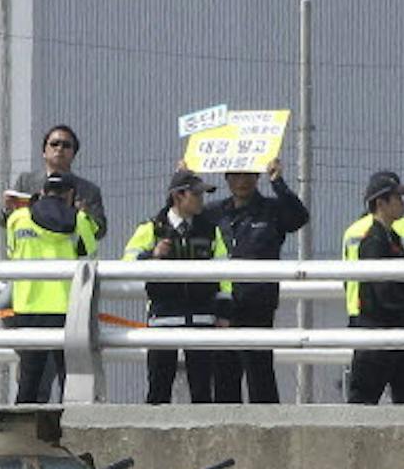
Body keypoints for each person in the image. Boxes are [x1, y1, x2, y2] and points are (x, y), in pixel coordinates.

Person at [125, 170, 234, 405]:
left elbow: (224, 274)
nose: (201, 200)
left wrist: (223, 312)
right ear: (178, 196)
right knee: (158, 389)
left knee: (203, 391)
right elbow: (126, 267)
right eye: (196, 195)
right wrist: (152, 256)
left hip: (202, 318)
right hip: (163, 318)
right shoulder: (151, 229)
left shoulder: (210, 229)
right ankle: (153, 436)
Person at [206, 157, 309, 403]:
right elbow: (179, 216)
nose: (242, 181)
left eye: (248, 175)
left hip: (258, 303)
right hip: (222, 306)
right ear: (227, 178)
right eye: (236, 175)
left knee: (260, 374)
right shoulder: (213, 213)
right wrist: (185, 177)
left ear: (257, 177)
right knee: (224, 378)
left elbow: (299, 218)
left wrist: (278, 182)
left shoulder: (272, 210)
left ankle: (269, 432)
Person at [3, 172, 94, 404]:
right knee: (70, 376)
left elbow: (12, 253)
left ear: (43, 192)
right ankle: (70, 429)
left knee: (30, 377)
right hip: (67, 307)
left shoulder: (18, 219)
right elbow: (90, 255)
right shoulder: (79, 220)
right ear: (70, 194)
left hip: (28, 305)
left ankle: (22, 431)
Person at [341, 171, 404, 405]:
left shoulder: (394, 238)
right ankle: (356, 443)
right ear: (381, 203)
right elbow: (382, 288)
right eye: (398, 198)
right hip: (377, 331)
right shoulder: (374, 240)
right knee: (364, 401)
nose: (403, 203)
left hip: (396, 330)